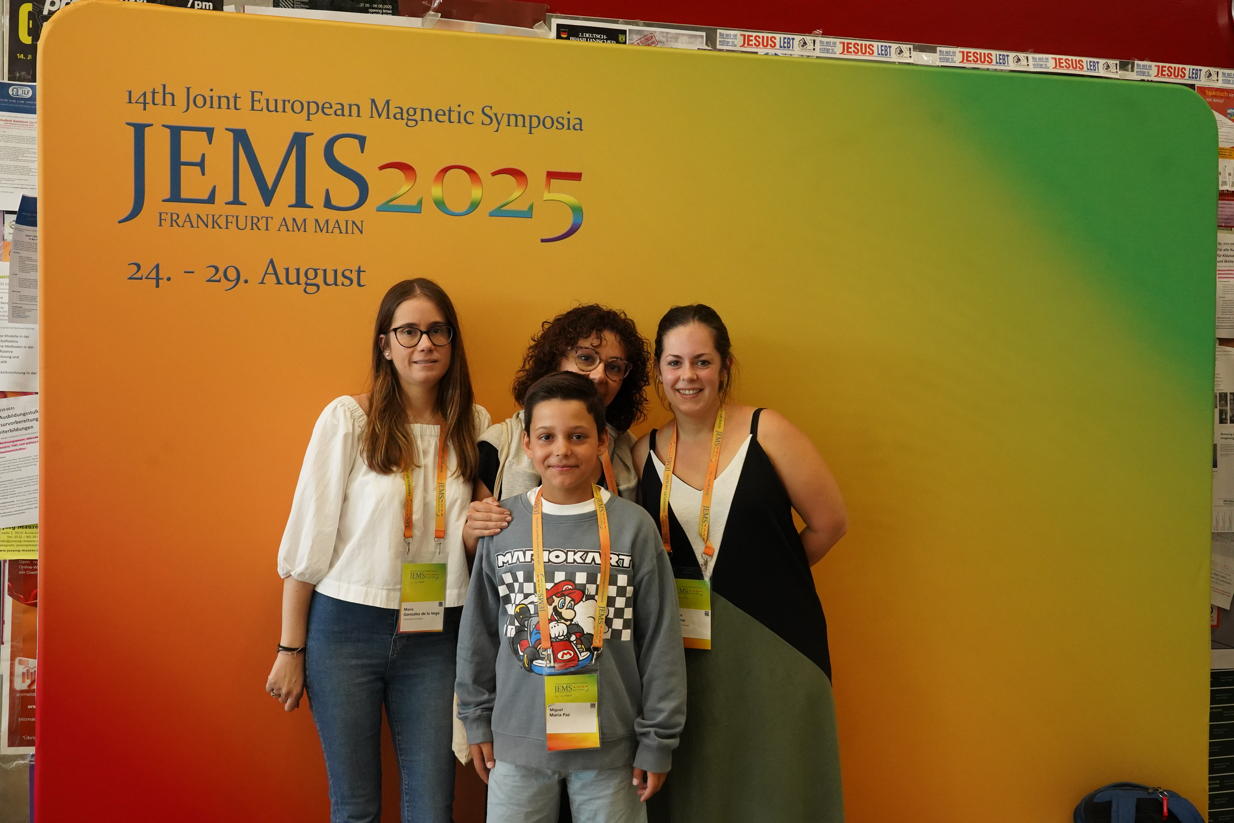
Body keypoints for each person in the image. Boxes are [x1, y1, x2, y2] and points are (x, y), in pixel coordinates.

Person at [265, 278, 489, 823]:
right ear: (385, 344)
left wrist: (474, 530)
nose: (425, 343)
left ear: (452, 342)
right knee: (355, 807)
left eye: (437, 331)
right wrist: (290, 649)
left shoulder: (477, 425)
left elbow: (471, 536)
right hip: (346, 629)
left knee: (432, 807)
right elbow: (309, 537)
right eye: (408, 331)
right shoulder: (350, 419)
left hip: (438, 632)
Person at [632, 304, 848, 822]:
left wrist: (769, 580)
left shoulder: (766, 430)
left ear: (724, 366)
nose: (688, 376)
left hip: (778, 643)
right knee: (701, 789)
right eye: (675, 363)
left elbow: (830, 523)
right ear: (659, 370)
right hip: (685, 655)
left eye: (702, 361)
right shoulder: (642, 453)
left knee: (779, 789)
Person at [457, 372, 686, 823]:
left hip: (612, 750)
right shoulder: (502, 526)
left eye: (578, 436)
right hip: (517, 745)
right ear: (527, 444)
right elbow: (478, 633)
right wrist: (476, 719)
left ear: (602, 441)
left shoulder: (634, 527)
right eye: (547, 436)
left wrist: (658, 739)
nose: (561, 449)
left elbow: (660, 639)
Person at [464, 306, 650, 552]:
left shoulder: (631, 452)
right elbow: (479, 552)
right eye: (586, 358)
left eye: (614, 367)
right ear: (556, 360)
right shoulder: (499, 445)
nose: (599, 375)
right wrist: (471, 533)